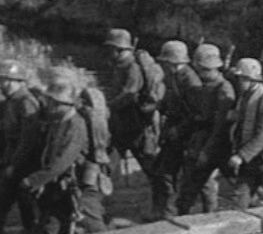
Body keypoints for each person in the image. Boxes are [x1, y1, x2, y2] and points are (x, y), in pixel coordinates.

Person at [23, 68, 107, 233]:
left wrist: (34, 180)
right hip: (62, 187)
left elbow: (62, 161)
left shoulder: (75, 125)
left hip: (82, 186)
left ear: (64, 103)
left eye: (52, 101)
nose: (48, 105)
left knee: (92, 225)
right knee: (50, 227)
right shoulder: (57, 123)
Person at [175, 44, 235, 215]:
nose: (199, 73)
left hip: (220, 145)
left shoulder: (224, 90)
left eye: (201, 69)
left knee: (238, 184)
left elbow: (220, 127)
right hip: (204, 141)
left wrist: (206, 151)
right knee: (192, 185)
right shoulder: (206, 86)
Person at [151, 40, 202, 220]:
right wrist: (159, 106)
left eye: (166, 62)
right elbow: (170, 100)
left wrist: (179, 130)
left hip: (186, 134)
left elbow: (196, 113)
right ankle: (164, 211)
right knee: (161, 171)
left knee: (169, 174)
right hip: (173, 131)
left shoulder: (190, 81)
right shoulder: (174, 75)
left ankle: (169, 213)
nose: (163, 65)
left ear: (172, 62)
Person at [103, 29, 160, 177]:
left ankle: (164, 188)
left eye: (111, 48)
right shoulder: (120, 65)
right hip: (122, 122)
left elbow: (129, 93)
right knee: (111, 158)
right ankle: (98, 186)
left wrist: (108, 107)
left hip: (135, 122)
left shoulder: (132, 67)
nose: (108, 52)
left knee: (147, 162)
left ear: (118, 49)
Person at [227, 59, 263, 210]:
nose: (239, 83)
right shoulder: (245, 97)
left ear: (252, 80)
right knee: (241, 199)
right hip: (249, 158)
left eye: (242, 79)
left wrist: (241, 156)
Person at [0, 60, 41, 234]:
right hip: (11, 155)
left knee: (21, 199)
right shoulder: (10, 101)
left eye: (8, 80)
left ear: (20, 82)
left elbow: (28, 139)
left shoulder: (26, 102)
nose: (4, 84)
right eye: (2, 80)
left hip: (24, 160)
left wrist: (14, 164)